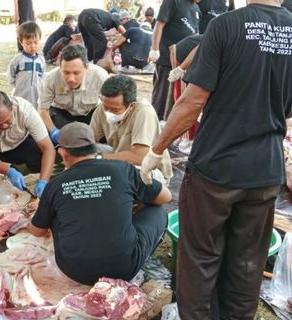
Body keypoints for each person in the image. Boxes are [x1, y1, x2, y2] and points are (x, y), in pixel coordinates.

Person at [139, 0, 292, 317]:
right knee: (248, 261)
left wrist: (156, 149)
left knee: (200, 258)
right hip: (265, 170)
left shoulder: (226, 25)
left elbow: (193, 101)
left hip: (216, 168)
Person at [29, 122, 172, 285]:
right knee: (158, 211)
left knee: (55, 212)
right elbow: (165, 197)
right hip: (123, 268)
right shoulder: (122, 169)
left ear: (63, 154)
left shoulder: (55, 184)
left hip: (73, 269)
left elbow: (37, 231)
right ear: (95, 148)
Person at [90, 75, 172, 182]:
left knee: (114, 180)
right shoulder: (103, 107)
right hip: (121, 160)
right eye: (105, 107)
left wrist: (99, 158)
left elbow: (140, 157)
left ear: (131, 106)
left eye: (115, 110)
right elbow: (89, 140)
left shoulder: (143, 112)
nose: (108, 112)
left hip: (149, 169)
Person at [38, 44, 108, 146]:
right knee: (45, 136)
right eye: (66, 72)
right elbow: (43, 109)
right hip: (62, 115)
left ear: (86, 67)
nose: (71, 79)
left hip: (90, 114)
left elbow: (110, 107)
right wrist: (53, 131)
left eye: (76, 73)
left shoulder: (100, 76)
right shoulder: (51, 78)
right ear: (60, 67)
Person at [149, 0, 199, 119]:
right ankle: (157, 118)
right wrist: (155, 49)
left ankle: (169, 119)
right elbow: (159, 25)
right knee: (162, 92)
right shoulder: (173, 2)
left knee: (177, 93)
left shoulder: (196, 7)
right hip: (167, 55)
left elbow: (196, 33)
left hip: (183, 59)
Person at [8, 21, 45, 109]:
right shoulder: (17, 60)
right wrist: (17, 86)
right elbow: (11, 75)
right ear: (21, 42)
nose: (32, 46)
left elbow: (43, 78)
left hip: (37, 98)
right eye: (28, 43)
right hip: (20, 97)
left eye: (35, 42)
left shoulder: (41, 60)